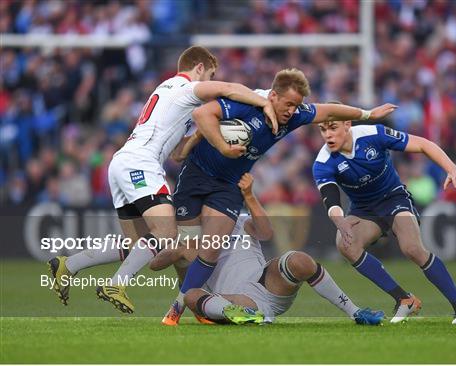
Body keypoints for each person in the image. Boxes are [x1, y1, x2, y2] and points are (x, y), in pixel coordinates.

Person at [46, 46, 278, 313]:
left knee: (138, 245)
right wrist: (263, 102)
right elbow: (227, 88)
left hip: (122, 162)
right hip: (142, 163)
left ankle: (69, 265)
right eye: (209, 74)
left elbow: (177, 150)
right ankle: (116, 285)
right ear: (199, 68)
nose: (209, 81)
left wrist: (193, 143)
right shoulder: (184, 87)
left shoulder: (165, 91)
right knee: (167, 234)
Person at [164, 67, 397, 323]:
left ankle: (177, 309)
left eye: (296, 106)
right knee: (189, 248)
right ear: (272, 96)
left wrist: (367, 114)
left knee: (209, 250)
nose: (292, 111)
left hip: (230, 184)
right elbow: (201, 113)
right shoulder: (245, 105)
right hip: (196, 176)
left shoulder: (294, 115)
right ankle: (195, 303)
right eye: (288, 104)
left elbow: (327, 110)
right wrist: (223, 146)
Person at [152, 173, 384, 326]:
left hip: (266, 284)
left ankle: (355, 312)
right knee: (192, 296)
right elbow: (155, 263)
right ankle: (246, 316)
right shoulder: (189, 232)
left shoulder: (240, 220)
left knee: (300, 260)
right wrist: (180, 251)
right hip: (232, 299)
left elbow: (266, 233)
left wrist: (250, 196)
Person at [312, 117, 456, 324]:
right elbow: (331, 199)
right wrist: (340, 222)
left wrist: (452, 168)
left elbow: (424, 144)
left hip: (393, 198)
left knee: (412, 249)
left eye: (333, 128)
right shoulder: (323, 162)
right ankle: (404, 299)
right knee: (345, 244)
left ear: (347, 125)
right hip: (363, 209)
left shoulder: (373, 134)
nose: (327, 135)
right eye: (322, 129)